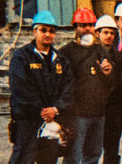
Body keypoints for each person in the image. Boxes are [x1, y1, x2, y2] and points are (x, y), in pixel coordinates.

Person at [8, 11, 73, 164]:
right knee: (23, 158)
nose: (47, 34)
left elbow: (68, 88)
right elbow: (20, 88)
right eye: (43, 30)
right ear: (34, 31)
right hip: (27, 120)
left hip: (51, 122)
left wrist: (56, 109)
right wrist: (42, 110)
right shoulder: (21, 57)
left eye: (51, 31)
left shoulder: (61, 60)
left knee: (49, 159)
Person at [60, 8, 114, 164]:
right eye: (83, 25)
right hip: (77, 115)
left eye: (90, 25)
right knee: (74, 157)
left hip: (98, 114)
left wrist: (108, 72)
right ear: (75, 28)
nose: (87, 29)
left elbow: (111, 83)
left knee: (93, 155)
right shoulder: (66, 52)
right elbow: (61, 85)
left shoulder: (100, 51)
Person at [93, 15, 122, 164]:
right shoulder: (90, 55)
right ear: (97, 33)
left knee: (112, 150)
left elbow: (121, 85)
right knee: (91, 150)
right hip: (94, 110)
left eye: (112, 33)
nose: (109, 36)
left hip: (113, 111)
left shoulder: (118, 56)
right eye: (106, 32)